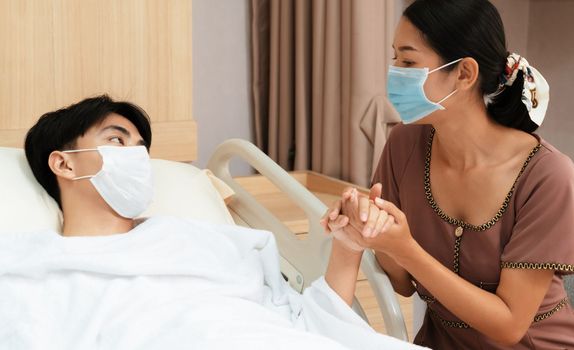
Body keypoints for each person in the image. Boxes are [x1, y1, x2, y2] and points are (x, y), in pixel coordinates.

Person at [0, 95, 422, 349]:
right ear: (63, 164)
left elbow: (309, 324)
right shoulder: (32, 270)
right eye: (116, 140)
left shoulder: (206, 241)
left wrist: (347, 249)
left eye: (141, 147)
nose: (137, 157)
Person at [322, 0, 574, 348]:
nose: (394, 72)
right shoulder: (403, 144)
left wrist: (406, 249)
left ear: (465, 73)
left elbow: (509, 326)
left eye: (409, 61)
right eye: (395, 58)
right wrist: (370, 230)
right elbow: (401, 283)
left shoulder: (547, 176)